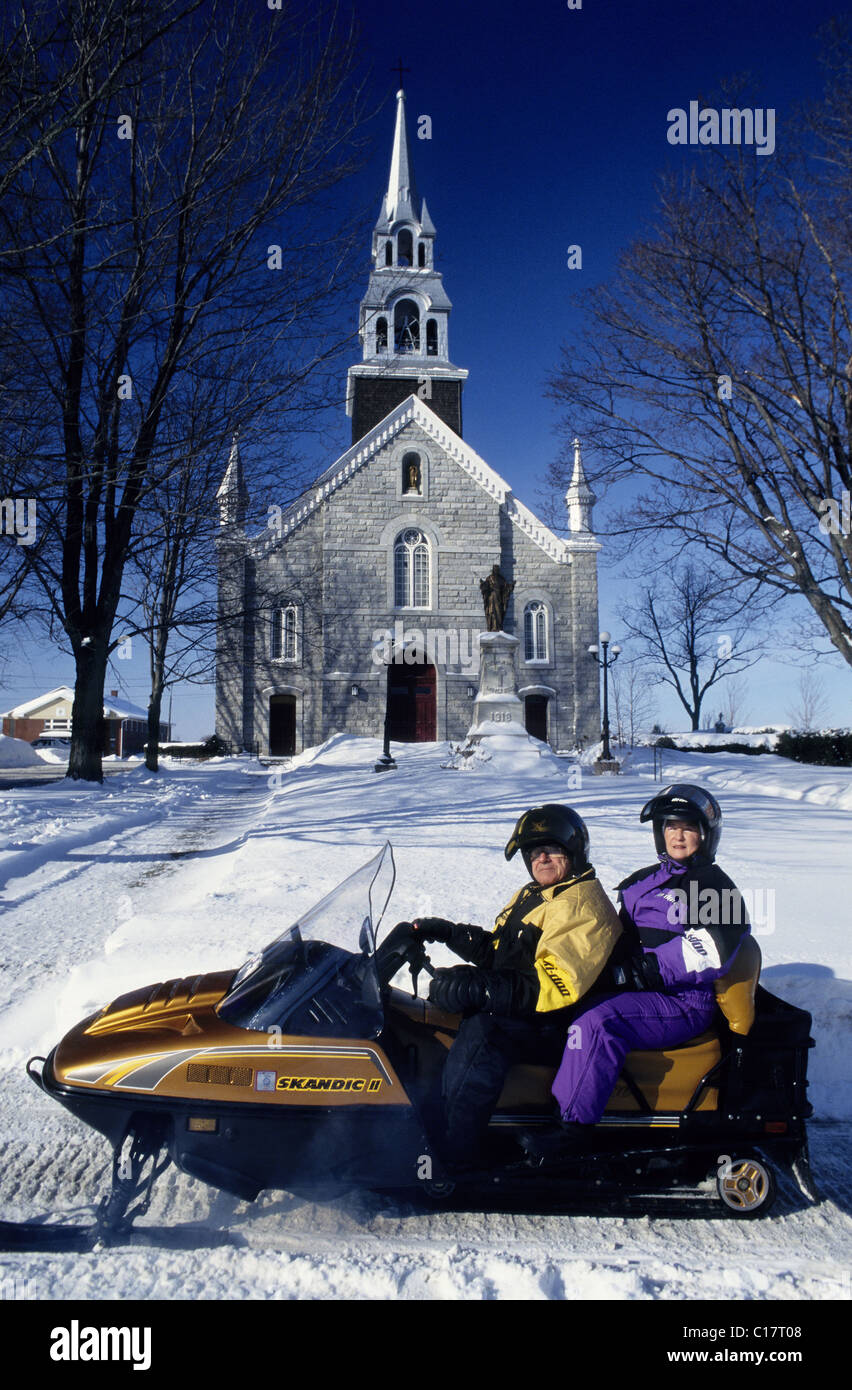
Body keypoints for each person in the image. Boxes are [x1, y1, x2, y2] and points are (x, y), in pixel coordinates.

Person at [411, 804, 624, 1168]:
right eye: (533, 852)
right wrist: (449, 933)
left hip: (559, 1023)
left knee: (486, 1030)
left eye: (551, 849)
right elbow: (501, 952)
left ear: (573, 851)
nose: (541, 858)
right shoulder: (539, 894)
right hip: (532, 1009)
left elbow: (553, 986)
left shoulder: (583, 906)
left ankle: (451, 1155)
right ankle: (417, 1111)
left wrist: (480, 989)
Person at [543, 783, 750, 1148]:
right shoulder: (644, 880)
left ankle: (571, 1130)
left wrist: (643, 970)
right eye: (670, 826)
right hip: (640, 990)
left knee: (599, 1022)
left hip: (682, 1001)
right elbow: (617, 933)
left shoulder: (716, 887)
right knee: (559, 1005)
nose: (678, 836)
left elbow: (712, 949)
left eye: (688, 827)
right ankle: (536, 1106)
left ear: (705, 834)